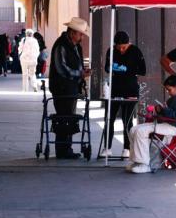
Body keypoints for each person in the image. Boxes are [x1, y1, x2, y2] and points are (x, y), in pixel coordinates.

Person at [127, 75, 176, 174]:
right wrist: (159, 109)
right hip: (166, 124)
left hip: (174, 127)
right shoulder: (175, 98)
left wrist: (164, 109)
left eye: (169, 89)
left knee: (140, 131)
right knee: (133, 130)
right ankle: (136, 162)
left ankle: (144, 164)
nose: (168, 92)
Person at [49, 17, 91, 159]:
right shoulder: (61, 45)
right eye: (80, 34)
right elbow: (61, 68)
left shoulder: (76, 46)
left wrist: (83, 73)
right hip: (61, 88)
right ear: (72, 33)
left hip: (72, 88)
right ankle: (62, 150)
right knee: (64, 117)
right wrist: (79, 73)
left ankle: (67, 148)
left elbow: (76, 64)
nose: (82, 37)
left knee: (69, 117)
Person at [101, 31, 146, 157]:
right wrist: (113, 67)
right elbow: (106, 67)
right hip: (114, 89)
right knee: (109, 119)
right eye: (119, 47)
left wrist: (127, 69)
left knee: (127, 120)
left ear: (129, 44)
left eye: (124, 47)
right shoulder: (111, 51)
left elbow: (143, 70)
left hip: (131, 90)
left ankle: (126, 148)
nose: (121, 50)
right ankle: (107, 148)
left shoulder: (135, 51)